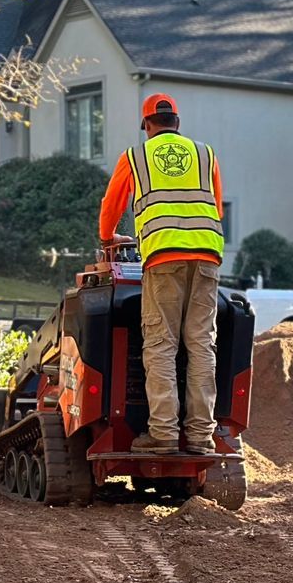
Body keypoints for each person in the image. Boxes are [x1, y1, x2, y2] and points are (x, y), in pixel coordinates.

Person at [97, 93, 225, 454]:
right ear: (177, 123)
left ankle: (163, 434)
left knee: (160, 345)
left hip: (163, 259)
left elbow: (112, 205)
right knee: (202, 345)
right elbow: (215, 207)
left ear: (147, 126)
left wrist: (108, 238)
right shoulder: (206, 154)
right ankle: (201, 437)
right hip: (207, 257)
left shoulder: (136, 156)